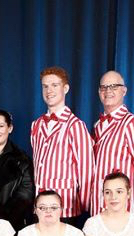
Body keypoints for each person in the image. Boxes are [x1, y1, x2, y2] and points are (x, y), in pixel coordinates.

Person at [30, 66, 94, 223]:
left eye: (54, 85)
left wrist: (84, 203)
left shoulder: (75, 125)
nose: (49, 90)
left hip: (66, 206)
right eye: (45, 86)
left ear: (65, 88)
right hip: (40, 205)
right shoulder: (36, 125)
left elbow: (86, 170)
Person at [90, 71, 134, 215]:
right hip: (98, 202)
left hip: (123, 207)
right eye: (104, 87)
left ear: (124, 91)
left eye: (114, 86)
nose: (108, 91)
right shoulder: (97, 125)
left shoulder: (133, 123)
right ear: (99, 92)